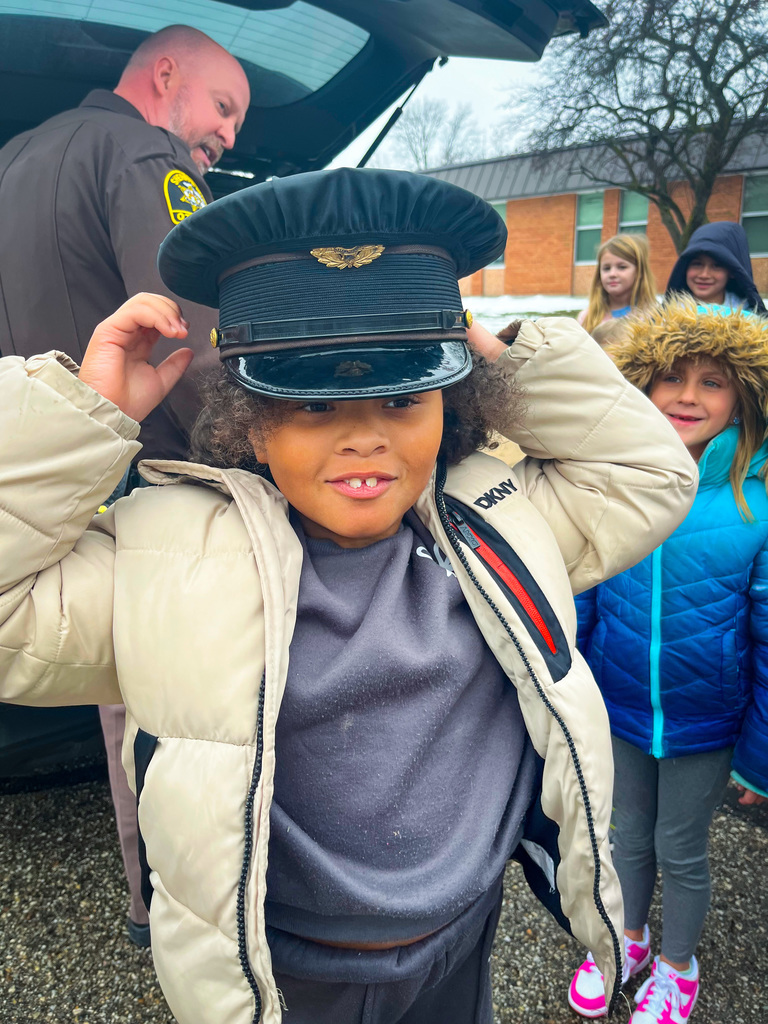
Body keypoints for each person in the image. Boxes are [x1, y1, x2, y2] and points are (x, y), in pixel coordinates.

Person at [0, 168, 697, 1024]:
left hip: (459, 941)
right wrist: (79, 411)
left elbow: (650, 475)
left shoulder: (500, 519)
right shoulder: (165, 557)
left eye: (406, 395)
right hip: (285, 976)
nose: (365, 434)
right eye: (314, 402)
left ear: (454, 399)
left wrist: (513, 356)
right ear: (250, 418)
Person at [0, 23, 250, 947]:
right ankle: (188, 912)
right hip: (148, 471)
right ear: (166, 74)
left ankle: (151, 903)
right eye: (224, 107)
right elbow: (189, 328)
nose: (229, 137)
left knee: (114, 691)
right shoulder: (144, 153)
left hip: (39, 479)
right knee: (170, 698)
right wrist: (255, 455)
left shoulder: (14, 159)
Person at [568, 297, 768, 1024]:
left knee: (681, 849)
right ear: (642, 386)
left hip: (705, 722)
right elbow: (585, 590)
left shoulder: (757, 503)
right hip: (618, 706)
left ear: (744, 397)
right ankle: (627, 938)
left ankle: (678, 965)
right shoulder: (614, 476)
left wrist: (758, 757)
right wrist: (574, 688)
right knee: (623, 837)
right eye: (673, 378)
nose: (688, 396)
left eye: (712, 381)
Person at [666, 221, 767, 314]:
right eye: (697, 264)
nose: (704, 275)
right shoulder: (667, 317)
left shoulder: (749, 318)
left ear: (732, 271)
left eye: (717, 266)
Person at [578, 234, 657, 340]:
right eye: (606, 268)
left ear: (639, 272)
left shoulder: (652, 317)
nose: (612, 274)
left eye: (622, 267)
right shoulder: (587, 318)